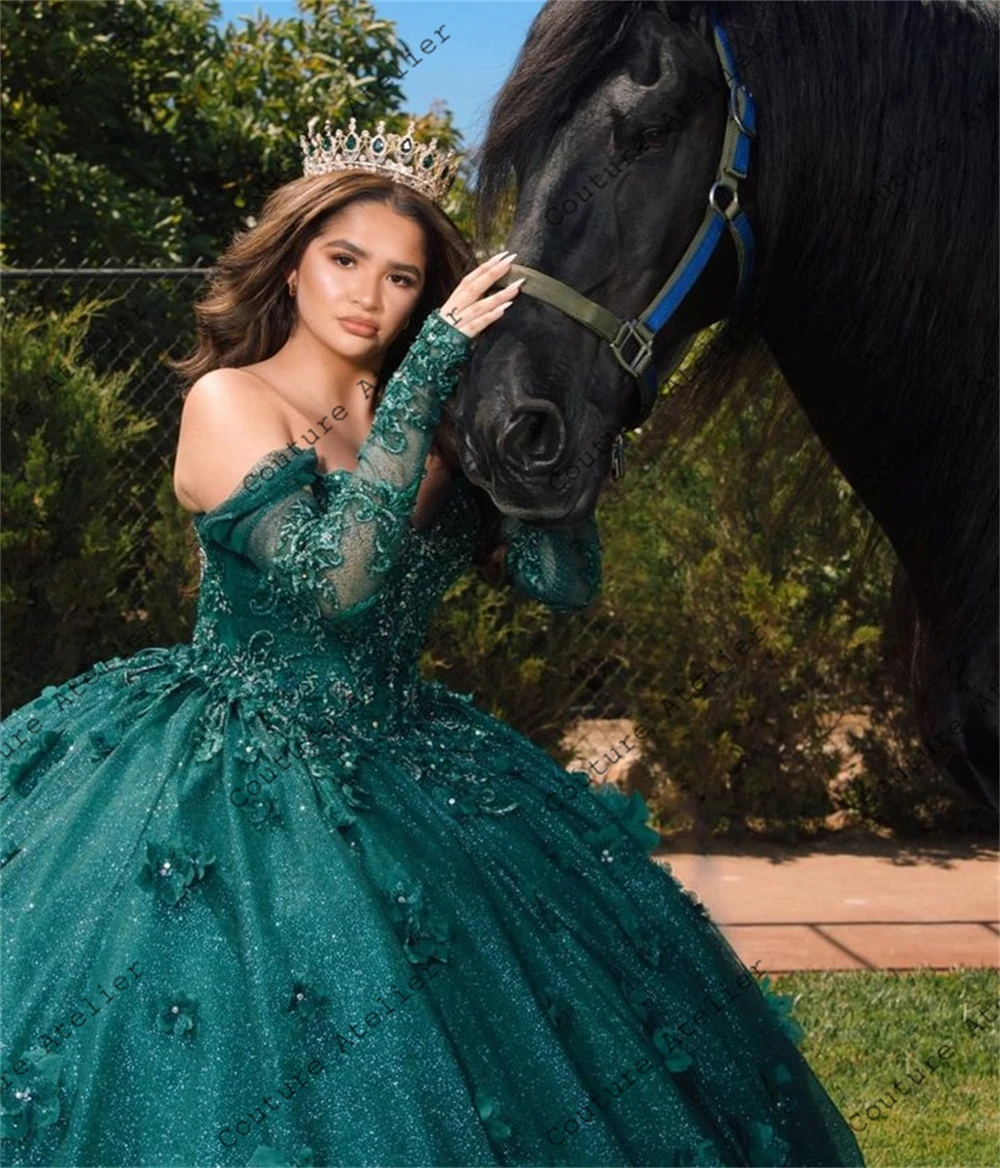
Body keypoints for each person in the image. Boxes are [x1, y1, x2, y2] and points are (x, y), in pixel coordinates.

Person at [0, 117, 863, 1167]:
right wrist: (431, 372)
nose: (368, 294)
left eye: (403, 277)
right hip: (228, 777)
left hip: (419, 761)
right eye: (344, 260)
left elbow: (562, 583)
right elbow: (338, 587)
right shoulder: (231, 401)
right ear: (293, 265)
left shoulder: (442, 418)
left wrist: (557, 443)